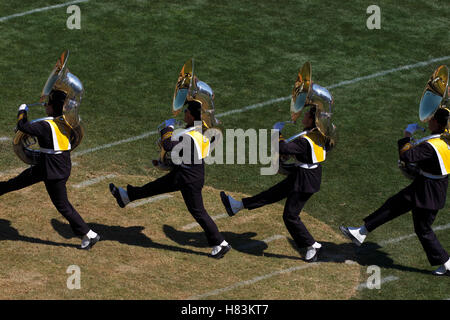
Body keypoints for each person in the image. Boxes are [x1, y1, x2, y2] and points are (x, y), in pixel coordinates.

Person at [109, 100, 231, 259]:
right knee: (156, 187)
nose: (185, 113)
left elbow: (167, 144)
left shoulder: (190, 136)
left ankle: (220, 243)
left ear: (192, 116)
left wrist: (167, 128)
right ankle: (126, 196)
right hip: (186, 174)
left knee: (198, 211)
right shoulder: (197, 131)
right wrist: (163, 164)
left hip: (188, 179)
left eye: (187, 111)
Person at [340, 108, 450, 276]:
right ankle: (361, 232)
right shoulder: (444, 138)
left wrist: (407, 135)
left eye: (431, 119)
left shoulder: (432, 145)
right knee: (411, 219)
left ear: (438, 123)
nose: (428, 121)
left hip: (427, 190)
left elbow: (407, 155)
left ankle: (361, 232)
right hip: (430, 186)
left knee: (418, 225)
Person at [220, 106, 331, 262]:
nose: (303, 116)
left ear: (312, 120)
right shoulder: (318, 135)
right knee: (273, 193)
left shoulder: (305, 140)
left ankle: (312, 246)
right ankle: (237, 206)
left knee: (290, 216)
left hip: (305, 179)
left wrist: (276, 133)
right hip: (306, 173)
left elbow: (283, 147)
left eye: (306, 115)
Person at [0, 90, 100, 249]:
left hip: (54, 170)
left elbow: (22, 126)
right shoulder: (64, 121)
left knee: (62, 205)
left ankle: (89, 234)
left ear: (53, 108)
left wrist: (22, 111)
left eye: (48, 104)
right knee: (20, 180)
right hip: (56, 164)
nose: (45, 105)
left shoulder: (45, 125)